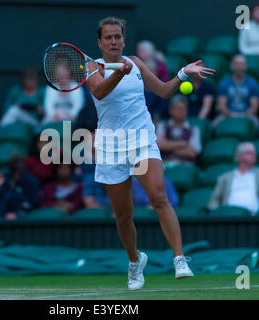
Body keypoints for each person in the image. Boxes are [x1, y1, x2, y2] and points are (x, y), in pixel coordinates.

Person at [85, 16, 215, 289]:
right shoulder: (92, 67)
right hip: (111, 146)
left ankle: (179, 258)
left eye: (117, 36)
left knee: (158, 196)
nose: (113, 41)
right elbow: (99, 92)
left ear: (123, 39)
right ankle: (135, 261)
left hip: (142, 139)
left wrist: (183, 73)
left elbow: (165, 91)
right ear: (99, 42)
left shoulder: (136, 63)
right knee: (123, 216)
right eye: (108, 37)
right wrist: (119, 72)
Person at [208, 142, 259, 215]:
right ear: (239, 156)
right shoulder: (225, 177)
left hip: (255, 218)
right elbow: (213, 200)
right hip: (230, 217)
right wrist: (219, 213)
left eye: (254, 153)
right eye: (249, 153)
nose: (254, 155)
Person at [215, 54, 259, 126]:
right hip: (227, 115)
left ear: (246, 66)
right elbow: (222, 106)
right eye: (237, 64)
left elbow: (254, 107)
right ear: (232, 66)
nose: (240, 67)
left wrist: (242, 115)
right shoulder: (224, 83)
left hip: (248, 116)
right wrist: (231, 115)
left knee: (256, 124)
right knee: (214, 125)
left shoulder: (253, 83)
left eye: (242, 64)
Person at [156, 95, 202, 165]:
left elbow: (192, 153)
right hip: (165, 166)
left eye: (183, 108)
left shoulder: (194, 129)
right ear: (170, 110)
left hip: (185, 167)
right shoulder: (162, 125)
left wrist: (167, 147)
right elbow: (159, 146)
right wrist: (182, 144)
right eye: (178, 108)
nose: (181, 111)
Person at [137, 40, 171, 123]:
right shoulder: (137, 64)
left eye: (142, 51)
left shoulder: (160, 66)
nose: (139, 54)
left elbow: (164, 86)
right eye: (139, 51)